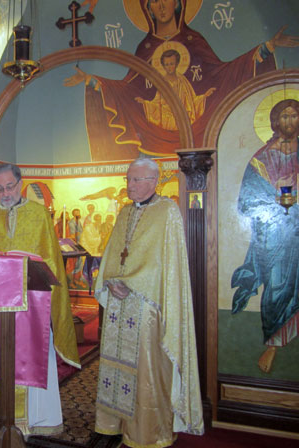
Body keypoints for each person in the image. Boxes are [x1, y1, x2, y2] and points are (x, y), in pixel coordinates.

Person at [64, 0, 298, 160]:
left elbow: (222, 74)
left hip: (197, 136)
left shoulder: (194, 40)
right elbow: (128, 88)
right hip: (153, 139)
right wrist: (93, 81)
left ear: (178, 3)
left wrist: (266, 49)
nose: (162, 5)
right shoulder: (145, 48)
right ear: (148, 7)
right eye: (154, 0)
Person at [0, 163, 80, 439]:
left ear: (21, 184)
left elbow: (52, 265)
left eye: (9, 187)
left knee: (31, 360)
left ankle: (36, 420)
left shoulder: (39, 216)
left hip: (31, 309)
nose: (4, 193)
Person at [93, 158, 203, 447]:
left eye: (137, 180)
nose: (130, 185)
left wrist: (131, 283)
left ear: (154, 181)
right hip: (119, 306)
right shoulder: (124, 212)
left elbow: (166, 266)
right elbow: (113, 255)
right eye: (128, 179)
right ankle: (116, 424)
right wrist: (110, 281)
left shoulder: (168, 212)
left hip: (147, 306)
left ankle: (148, 432)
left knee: (146, 371)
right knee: (117, 367)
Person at [231, 98, 299, 374]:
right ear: (274, 121)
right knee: (277, 286)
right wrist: (274, 197)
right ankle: (274, 343)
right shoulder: (262, 158)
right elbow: (245, 203)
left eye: (295, 116)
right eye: (284, 116)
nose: (290, 121)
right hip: (276, 235)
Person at [135, 49, 216, 131]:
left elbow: (191, 101)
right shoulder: (162, 82)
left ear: (177, 64)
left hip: (183, 119)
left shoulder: (182, 80)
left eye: (171, 64)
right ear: (163, 66)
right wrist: (145, 103)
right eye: (166, 64)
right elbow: (157, 103)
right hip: (167, 120)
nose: (169, 67)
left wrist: (204, 96)